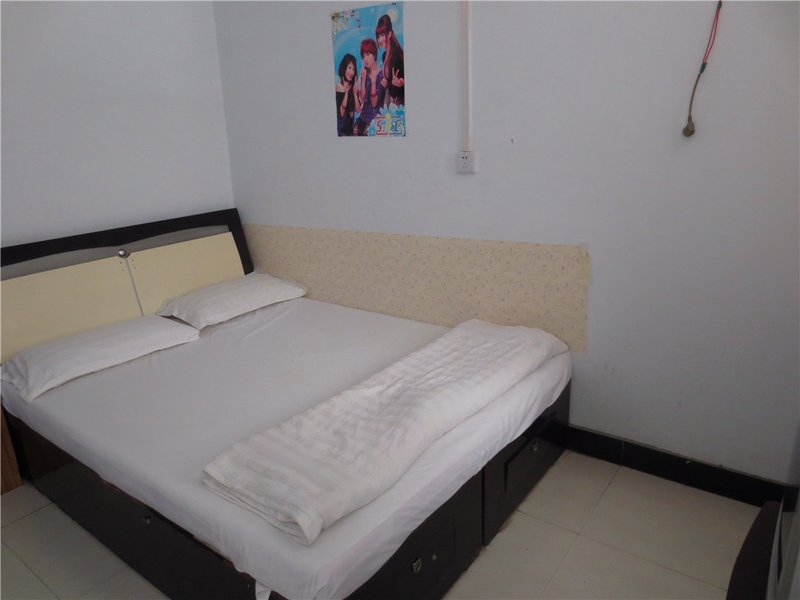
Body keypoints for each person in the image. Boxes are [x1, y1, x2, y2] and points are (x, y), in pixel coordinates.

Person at [353, 38, 385, 136]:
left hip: (375, 117)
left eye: (368, 54)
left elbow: (374, 103)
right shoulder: (364, 73)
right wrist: (363, 80)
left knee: (366, 133)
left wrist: (373, 81)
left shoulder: (381, 75)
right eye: (363, 56)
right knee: (355, 132)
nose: (365, 59)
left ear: (374, 54)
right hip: (363, 116)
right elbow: (363, 99)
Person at [375, 14, 404, 107]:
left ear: (390, 34)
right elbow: (390, 85)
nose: (380, 40)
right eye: (378, 36)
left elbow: (399, 87)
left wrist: (399, 84)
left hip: (398, 102)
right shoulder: (385, 55)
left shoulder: (396, 54)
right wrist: (387, 84)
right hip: (389, 100)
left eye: (382, 35)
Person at [335, 53, 360, 136]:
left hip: (351, 130)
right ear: (344, 67)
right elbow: (341, 114)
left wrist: (355, 94)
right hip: (342, 131)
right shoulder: (338, 87)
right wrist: (346, 92)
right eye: (349, 68)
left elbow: (357, 110)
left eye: (353, 69)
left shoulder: (353, 86)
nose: (351, 72)